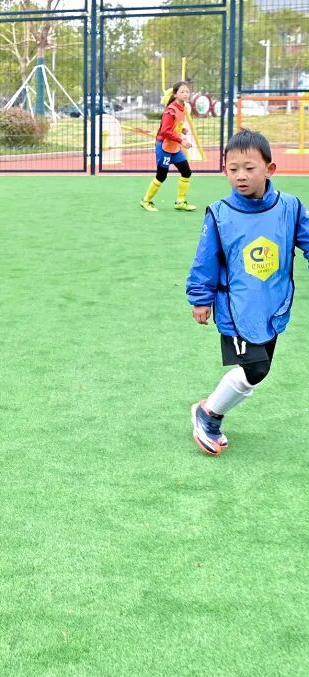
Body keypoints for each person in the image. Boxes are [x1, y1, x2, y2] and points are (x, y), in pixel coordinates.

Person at [186, 129, 309, 454]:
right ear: (224, 170)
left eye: (249, 168)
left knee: (259, 370)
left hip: (273, 305)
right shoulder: (220, 213)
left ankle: (208, 410)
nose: (241, 175)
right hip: (236, 307)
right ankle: (209, 414)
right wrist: (200, 298)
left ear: (270, 169)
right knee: (256, 368)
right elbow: (205, 259)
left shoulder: (291, 207)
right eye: (233, 168)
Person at [141, 81, 196, 212]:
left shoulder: (183, 108)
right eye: (182, 92)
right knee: (161, 176)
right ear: (175, 94)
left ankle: (180, 202)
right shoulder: (171, 110)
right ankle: (146, 201)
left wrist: (181, 130)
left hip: (174, 148)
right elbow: (165, 131)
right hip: (164, 147)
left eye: (187, 91)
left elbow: (174, 125)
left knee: (186, 172)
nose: (185, 94)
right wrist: (181, 140)